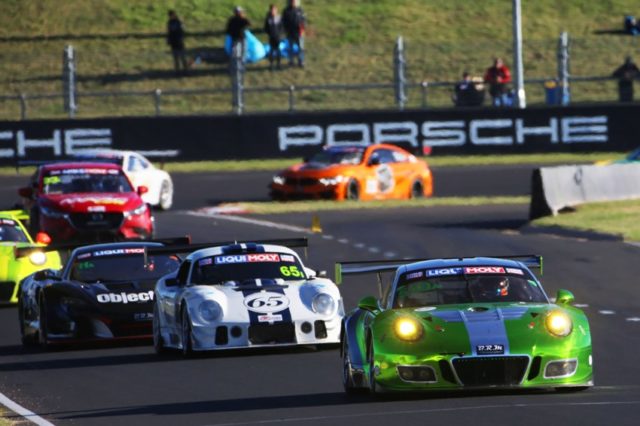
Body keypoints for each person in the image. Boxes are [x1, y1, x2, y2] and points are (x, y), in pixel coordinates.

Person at [282, 0, 306, 67]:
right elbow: (283, 22)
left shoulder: (300, 10)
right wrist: (285, 30)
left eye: (295, 1)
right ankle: (291, 61)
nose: (293, 2)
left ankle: (301, 61)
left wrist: (303, 27)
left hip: (299, 33)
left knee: (301, 48)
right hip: (290, 33)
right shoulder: (286, 11)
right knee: (290, 48)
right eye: (292, 1)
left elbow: (304, 20)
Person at [167, 10, 188, 75]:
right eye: (170, 15)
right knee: (176, 58)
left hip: (179, 41)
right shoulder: (169, 22)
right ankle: (177, 71)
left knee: (182, 57)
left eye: (171, 15)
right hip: (173, 42)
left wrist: (181, 38)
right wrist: (169, 40)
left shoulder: (179, 21)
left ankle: (185, 71)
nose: (171, 16)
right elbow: (169, 32)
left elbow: (183, 30)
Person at [264, 4, 283, 70]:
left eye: (274, 10)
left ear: (276, 10)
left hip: (277, 37)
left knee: (278, 50)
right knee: (271, 50)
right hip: (271, 37)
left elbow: (281, 27)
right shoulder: (268, 19)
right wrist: (269, 33)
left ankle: (279, 64)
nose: (273, 11)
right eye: (272, 10)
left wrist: (279, 34)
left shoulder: (279, 18)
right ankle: (271, 65)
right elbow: (266, 28)